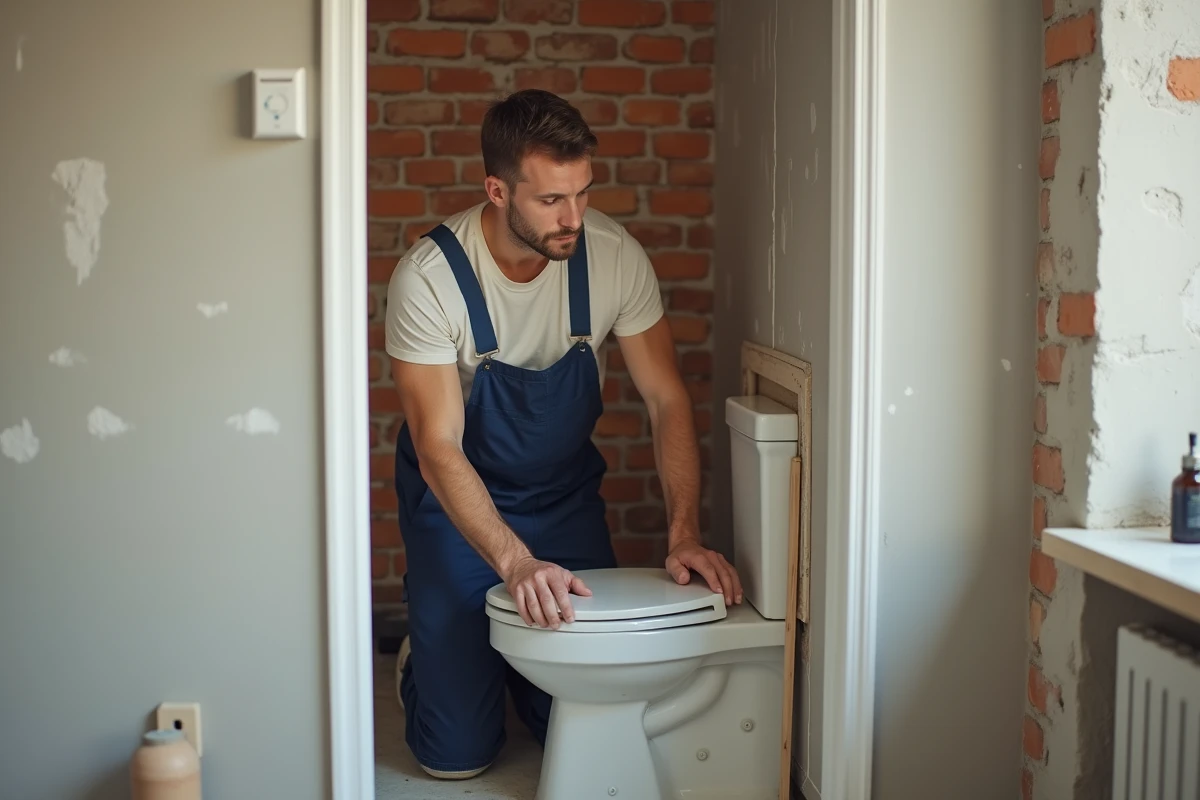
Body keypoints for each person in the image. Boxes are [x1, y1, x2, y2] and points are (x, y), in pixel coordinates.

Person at [384, 89, 743, 780]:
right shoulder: (430, 280)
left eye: (582, 192)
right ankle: (423, 659)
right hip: (458, 507)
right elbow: (437, 446)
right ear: (497, 191)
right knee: (456, 755)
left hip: (564, 498)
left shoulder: (613, 255)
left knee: (583, 722)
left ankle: (505, 665)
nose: (573, 217)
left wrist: (683, 533)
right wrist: (516, 563)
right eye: (551, 199)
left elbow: (667, 399)